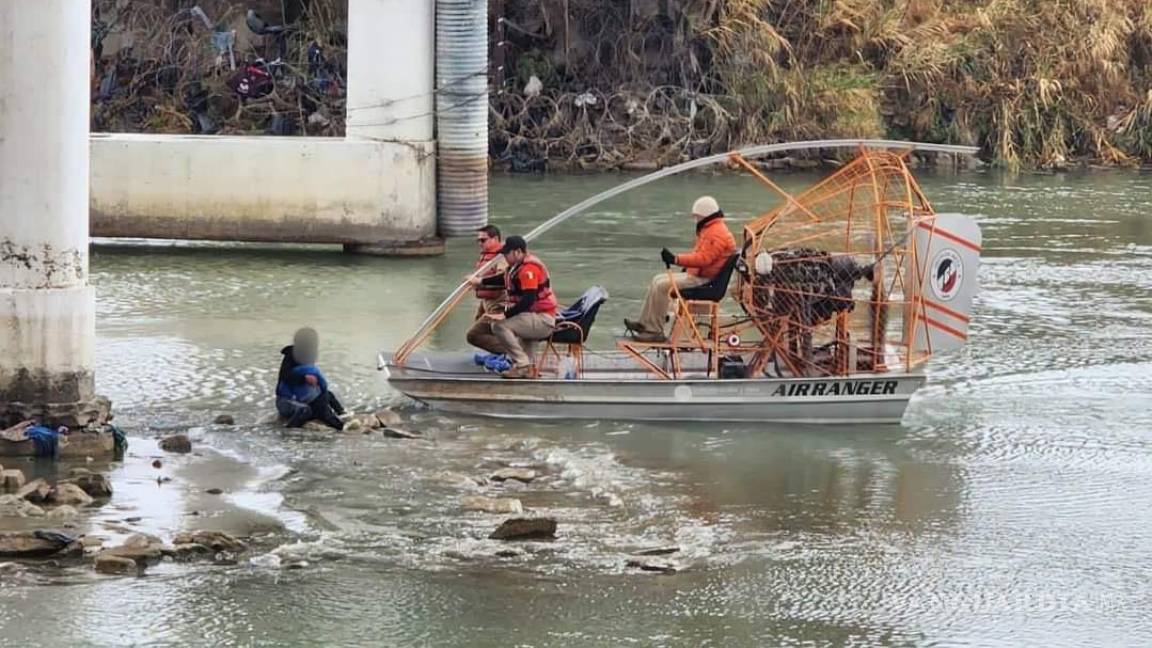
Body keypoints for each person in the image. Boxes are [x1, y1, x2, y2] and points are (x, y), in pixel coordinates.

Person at [624, 196, 737, 342]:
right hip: (698, 275)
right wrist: (684, 264)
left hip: (704, 281)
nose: (695, 219)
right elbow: (700, 255)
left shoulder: (716, 233)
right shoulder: (711, 229)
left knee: (662, 286)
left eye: (697, 216)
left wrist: (676, 259)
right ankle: (645, 323)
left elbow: (704, 259)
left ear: (704, 215)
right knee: (657, 279)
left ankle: (654, 331)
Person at [468, 235, 558, 378]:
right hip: (531, 316)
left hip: (543, 320)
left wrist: (504, 315)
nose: (505, 257)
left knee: (499, 325)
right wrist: (479, 281)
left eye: (506, 254)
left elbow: (528, 300)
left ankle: (522, 365)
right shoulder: (516, 266)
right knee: (526, 361)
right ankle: (527, 370)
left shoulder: (529, 270)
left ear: (517, 252)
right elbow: (502, 279)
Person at [275, 327, 345, 429]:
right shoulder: (290, 356)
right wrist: (304, 378)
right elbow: (286, 377)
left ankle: (342, 413)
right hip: (286, 401)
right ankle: (288, 431)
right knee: (306, 410)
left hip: (303, 398)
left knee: (328, 395)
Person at [465, 225, 509, 354]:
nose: (480, 243)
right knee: (479, 324)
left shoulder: (502, 257)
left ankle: (513, 354)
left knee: (474, 335)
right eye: (478, 240)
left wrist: (479, 283)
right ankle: (501, 353)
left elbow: (504, 280)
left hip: (499, 303)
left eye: (483, 240)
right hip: (486, 301)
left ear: (495, 239)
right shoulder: (487, 255)